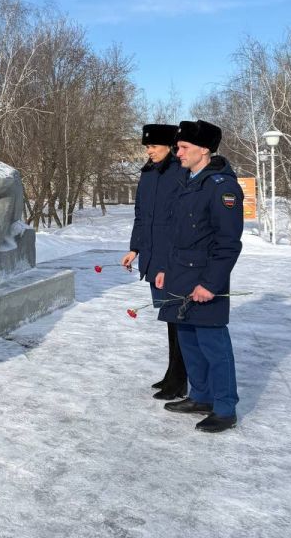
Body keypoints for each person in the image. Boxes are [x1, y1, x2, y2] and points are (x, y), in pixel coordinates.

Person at [155, 119, 243, 432]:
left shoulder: (222, 187)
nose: (177, 152)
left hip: (205, 279)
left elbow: (228, 243)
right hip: (179, 275)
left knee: (213, 344)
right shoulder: (186, 181)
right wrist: (164, 268)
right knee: (188, 341)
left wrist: (210, 283)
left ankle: (224, 407)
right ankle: (201, 396)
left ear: (203, 150)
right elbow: (175, 233)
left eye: (183, 147)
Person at [122, 123, 187, 399]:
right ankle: (173, 373)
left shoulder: (181, 173)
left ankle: (180, 379)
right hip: (151, 256)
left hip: (171, 258)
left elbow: (183, 219)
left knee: (179, 319)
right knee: (171, 319)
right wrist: (134, 249)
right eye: (147, 147)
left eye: (154, 147)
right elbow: (140, 215)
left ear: (170, 146)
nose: (149, 152)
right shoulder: (147, 174)